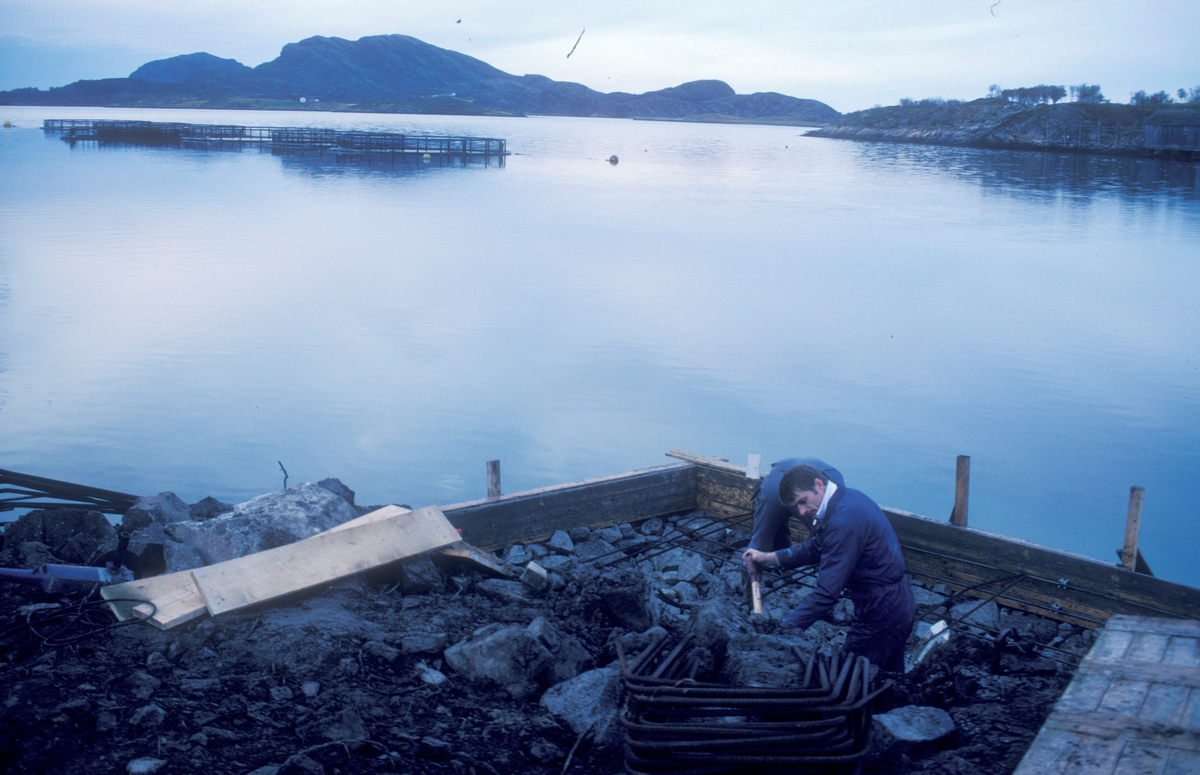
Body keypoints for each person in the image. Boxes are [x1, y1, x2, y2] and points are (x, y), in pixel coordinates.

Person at [743, 462, 915, 673]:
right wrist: (772, 558)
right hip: (897, 602)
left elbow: (826, 595)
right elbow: (818, 546)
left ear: (819, 484)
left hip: (882, 611)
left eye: (803, 501)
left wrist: (782, 631)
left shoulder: (844, 521)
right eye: (797, 506)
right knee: (889, 681)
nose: (802, 511)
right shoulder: (848, 499)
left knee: (849, 681)